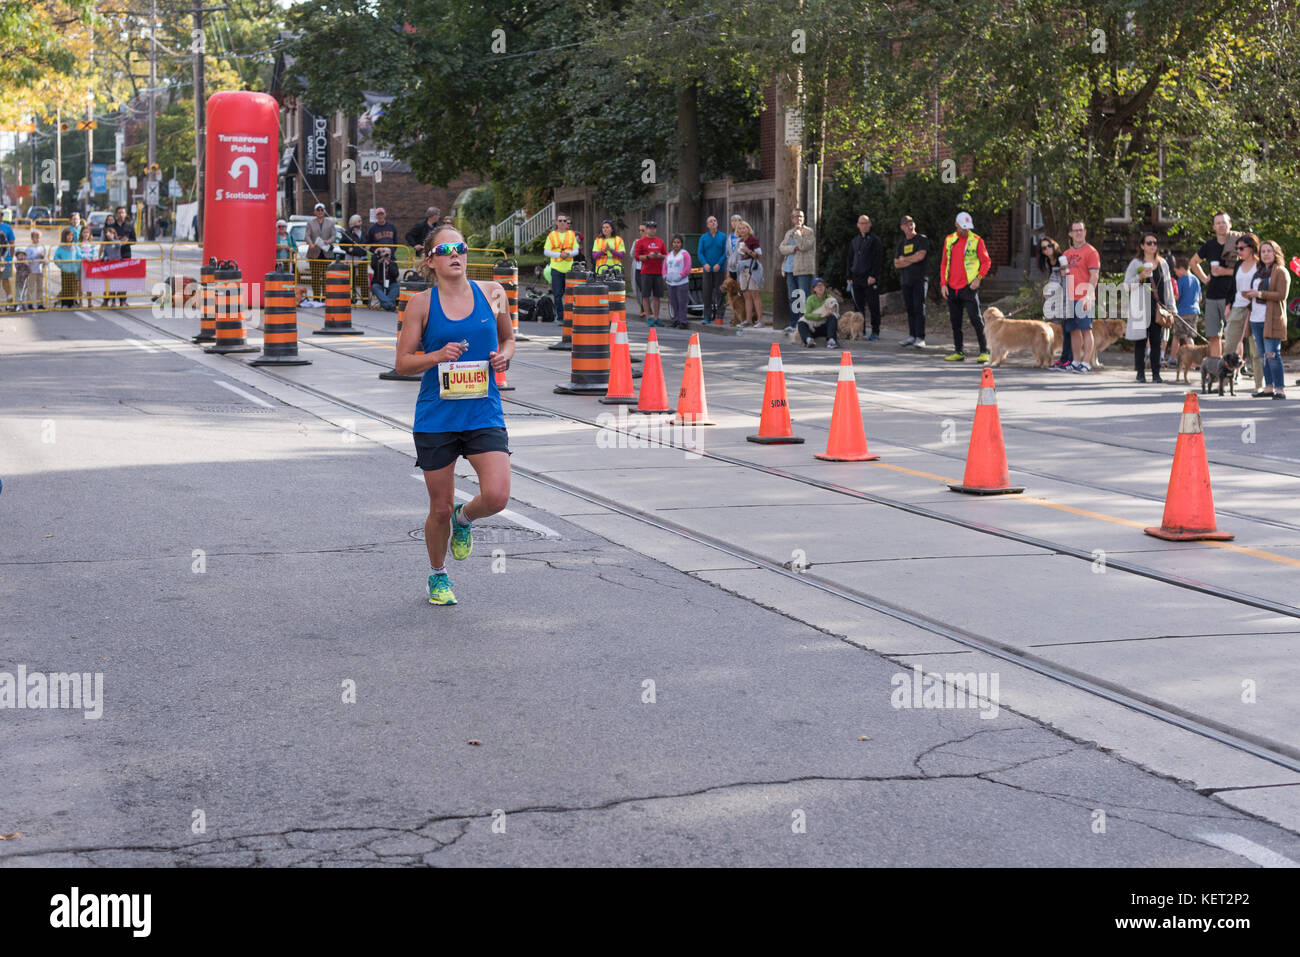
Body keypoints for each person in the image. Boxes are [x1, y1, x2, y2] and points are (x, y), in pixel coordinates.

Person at [394, 225, 515, 606]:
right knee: (439, 508)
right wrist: (436, 356)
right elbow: (402, 363)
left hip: (483, 412)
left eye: (460, 247)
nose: (456, 254)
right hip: (437, 418)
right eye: (446, 249)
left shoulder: (492, 293)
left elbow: (509, 338)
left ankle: (467, 518)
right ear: (430, 261)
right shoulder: (420, 304)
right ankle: (437, 574)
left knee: (496, 496)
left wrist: (505, 356)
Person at [1187, 211, 1242, 359]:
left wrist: (1224, 271)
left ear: (1230, 224)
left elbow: (1244, 269)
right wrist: (1204, 279)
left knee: (1234, 335)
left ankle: (1235, 370)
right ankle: (1217, 368)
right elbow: (1193, 263)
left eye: (1224, 222)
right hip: (1212, 296)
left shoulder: (1239, 245)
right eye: (1218, 223)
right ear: (1214, 227)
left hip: (1231, 296)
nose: (1221, 225)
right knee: (1213, 336)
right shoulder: (1209, 245)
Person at [939, 211, 992, 362]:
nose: (965, 230)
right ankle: (958, 351)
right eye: (963, 227)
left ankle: (985, 350)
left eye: (968, 227)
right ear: (956, 225)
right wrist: (943, 284)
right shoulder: (949, 240)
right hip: (951, 287)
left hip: (969, 287)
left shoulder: (976, 240)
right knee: (955, 321)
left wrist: (979, 278)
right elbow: (943, 263)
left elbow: (986, 261)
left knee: (976, 319)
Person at [1122, 233, 1175, 383]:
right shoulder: (1136, 264)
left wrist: (1171, 307)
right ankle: (1140, 373)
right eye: (1149, 243)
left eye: (1155, 243)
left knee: (1156, 342)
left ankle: (1156, 374)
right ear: (1142, 246)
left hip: (1158, 308)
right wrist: (1139, 277)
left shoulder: (1163, 263)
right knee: (1140, 341)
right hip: (1140, 308)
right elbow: (1126, 286)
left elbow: (1168, 286)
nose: (1152, 245)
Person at [1246, 239, 1289, 399]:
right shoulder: (1258, 272)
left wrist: (1259, 294)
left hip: (1272, 318)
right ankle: (1269, 387)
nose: (1265, 254)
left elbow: (1282, 295)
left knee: (1272, 354)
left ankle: (1280, 389)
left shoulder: (1281, 271)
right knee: (1263, 355)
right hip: (1256, 318)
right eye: (1263, 251)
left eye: (1269, 251)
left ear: (1275, 253)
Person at [1224, 232, 1263, 394]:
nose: (1238, 251)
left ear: (1252, 248)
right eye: (1236, 248)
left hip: (1256, 308)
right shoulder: (1239, 265)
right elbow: (1232, 285)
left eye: (1241, 248)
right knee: (1229, 345)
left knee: (1256, 349)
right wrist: (1228, 304)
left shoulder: (1261, 265)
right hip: (1237, 307)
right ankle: (1224, 381)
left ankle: (1259, 384)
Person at [1059, 220, 1100, 373]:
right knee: (1073, 330)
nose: (1078, 233)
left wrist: (1088, 296)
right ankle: (1076, 361)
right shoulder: (1066, 254)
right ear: (1070, 234)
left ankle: (1087, 362)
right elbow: (1065, 275)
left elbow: (1094, 275)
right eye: (1075, 230)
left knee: (1086, 329)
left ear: (1085, 232)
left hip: (1084, 296)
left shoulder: (1091, 251)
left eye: (1081, 230)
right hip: (1070, 296)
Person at [778, 208, 816, 338]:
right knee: (793, 297)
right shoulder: (789, 232)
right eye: (795, 217)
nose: (798, 219)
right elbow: (782, 248)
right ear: (792, 218)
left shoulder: (809, 232)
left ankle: (804, 323)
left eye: (800, 216)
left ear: (803, 218)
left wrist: (799, 234)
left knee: (803, 297)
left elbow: (805, 246)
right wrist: (792, 248)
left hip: (803, 269)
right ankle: (793, 323)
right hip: (789, 269)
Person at [893, 215, 930, 347]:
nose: (910, 226)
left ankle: (920, 337)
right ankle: (912, 335)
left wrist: (905, 259)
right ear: (902, 227)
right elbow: (896, 263)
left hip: (919, 279)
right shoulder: (901, 244)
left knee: (919, 307)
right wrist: (909, 259)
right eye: (906, 224)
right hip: (906, 280)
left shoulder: (921, 239)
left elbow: (920, 256)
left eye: (911, 223)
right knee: (910, 308)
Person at [845, 214, 883, 339]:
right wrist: (849, 276)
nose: (864, 225)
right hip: (856, 278)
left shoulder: (875, 240)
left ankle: (875, 331)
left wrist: (873, 275)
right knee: (858, 307)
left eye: (866, 223)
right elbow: (850, 259)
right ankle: (860, 331)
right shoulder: (854, 241)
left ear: (870, 224)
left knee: (873, 306)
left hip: (869, 278)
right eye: (861, 223)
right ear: (858, 225)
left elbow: (878, 260)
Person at [544, 213, 579, 328]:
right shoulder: (551, 235)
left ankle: (571, 317)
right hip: (556, 268)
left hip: (569, 268)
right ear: (556, 222)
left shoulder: (571, 234)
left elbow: (576, 250)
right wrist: (560, 255)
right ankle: (560, 318)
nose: (563, 222)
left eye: (565, 221)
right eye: (560, 220)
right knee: (558, 294)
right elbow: (546, 252)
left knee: (571, 294)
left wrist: (568, 254)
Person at [632, 219, 667, 325]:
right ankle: (648, 317)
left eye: (654, 228)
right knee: (645, 295)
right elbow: (637, 257)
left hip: (657, 272)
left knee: (657, 296)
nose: (652, 230)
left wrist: (660, 256)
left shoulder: (660, 241)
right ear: (646, 229)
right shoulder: (640, 242)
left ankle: (657, 317)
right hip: (645, 272)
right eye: (650, 228)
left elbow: (667, 255)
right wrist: (648, 256)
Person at [1171, 255, 1201, 365]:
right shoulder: (1196, 280)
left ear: (1182, 269)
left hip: (1182, 311)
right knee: (1189, 336)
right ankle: (1194, 360)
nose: (1176, 274)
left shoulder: (1181, 280)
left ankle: (1173, 358)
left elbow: (1177, 296)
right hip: (1194, 311)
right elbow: (1200, 298)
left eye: (1177, 271)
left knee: (1176, 336)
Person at [696, 215, 727, 322]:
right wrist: (705, 264)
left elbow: (725, 253)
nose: (713, 222)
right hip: (707, 270)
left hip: (719, 269)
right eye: (710, 221)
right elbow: (700, 253)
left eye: (715, 220)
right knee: (707, 293)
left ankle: (719, 316)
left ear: (717, 224)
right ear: (707, 225)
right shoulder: (703, 238)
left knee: (720, 293)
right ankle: (707, 316)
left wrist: (719, 263)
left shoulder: (723, 237)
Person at [734, 220, 763, 327]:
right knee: (746, 295)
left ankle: (760, 320)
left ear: (748, 229)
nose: (742, 230)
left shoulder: (753, 240)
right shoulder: (740, 241)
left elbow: (759, 255)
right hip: (742, 268)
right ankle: (748, 320)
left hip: (752, 268)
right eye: (740, 229)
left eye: (744, 228)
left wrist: (748, 251)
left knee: (754, 294)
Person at [304, 202, 335, 303]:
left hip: (326, 254)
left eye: (322, 210)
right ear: (315, 212)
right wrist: (310, 244)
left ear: (324, 211)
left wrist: (328, 241)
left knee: (326, 277)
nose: (320, 212)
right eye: (318, 210)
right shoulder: (310, 223)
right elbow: (307, 236)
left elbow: (334, 236)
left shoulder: (330, 223)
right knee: (315, 277)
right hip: (314, 253)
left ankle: (326, 297)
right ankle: (317, 297)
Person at [798, 277, 839, 348]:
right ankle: (808, 340)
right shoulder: (810, 299)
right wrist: (820, 316)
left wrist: (828, 314)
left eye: (822, 285)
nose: (820, 287)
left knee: (833, 317)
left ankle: (831, 340)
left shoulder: (830, 298)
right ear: (814, 289)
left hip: (825, 328)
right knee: (801, 323)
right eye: (818, 285)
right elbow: (807, 315)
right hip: (813, 328)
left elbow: (836, 312)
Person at [664, 234, 692, 329]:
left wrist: (680, 276)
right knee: (673, 302)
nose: (676, 244)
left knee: (682, 302)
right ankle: (675, 320)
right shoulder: (669, 255)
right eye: (674, 242)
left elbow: (687, 268)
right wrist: (665, 276)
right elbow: (664, 267)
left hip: (681, 283)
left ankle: (683, 321)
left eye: (678, 242)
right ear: (672, 244)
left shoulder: (685, 254)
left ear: (681, 244)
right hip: (670, 283)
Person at [342, 214, 369, 304]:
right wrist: (348, 248)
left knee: (363, 278)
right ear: (353, 223)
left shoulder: (364, 232)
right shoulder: (347, 233)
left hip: (362, 258)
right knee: (351, 278)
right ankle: (352, 297)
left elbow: (368, 241)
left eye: (361, 221)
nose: (360, 223)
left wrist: (368, 246)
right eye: (359, 221)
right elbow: (341, 244)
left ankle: (365, 298)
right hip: (351, 258)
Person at [53, 228, 82, 308]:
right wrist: (61, 265)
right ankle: (65, 303)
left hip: (73, 270)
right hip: (65, 270)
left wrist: (77, 265)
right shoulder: (61, 246)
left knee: (73, 287)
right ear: (64, 236)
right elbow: (56, 257)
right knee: (65, 287)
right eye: (68, 235)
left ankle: (72, 303)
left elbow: (79, 256)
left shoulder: (75, 246)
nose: (70, 237)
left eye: (71, 235)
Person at [22, 230, 44, 309]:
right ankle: (30, 303)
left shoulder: (41, 247)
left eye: (39, 238)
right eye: (36, 238)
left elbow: (44, 259)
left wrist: (42, 258)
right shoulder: (29, 248)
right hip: (32, 270)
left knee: (40, 287)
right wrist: (34, 256)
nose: (37, 239)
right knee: (31, 287)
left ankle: (40, 303)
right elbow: (26, 259)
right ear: (32, 238)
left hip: (40, 270)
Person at [0, 209, 15, 311]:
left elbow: (12, 243)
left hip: (5, 259)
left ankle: (9, 300)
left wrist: (11, 257)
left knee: (6, 280)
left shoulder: (7, 227)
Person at [631, 222, 647, 314]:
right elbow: (631, 254)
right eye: (640, 230)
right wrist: (635, 247)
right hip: (637, 268)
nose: (641, 232)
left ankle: (645, 307)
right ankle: (642, 306)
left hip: (647, 269)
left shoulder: (650, 242)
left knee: (646, 289)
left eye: (643, 230)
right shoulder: (636, 241)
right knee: (638, 289)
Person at [725, 213, 743, 283]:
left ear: (740, 222)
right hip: (731, 268)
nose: (734, 223)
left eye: (736, 221)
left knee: (742, 289)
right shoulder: (729, 237)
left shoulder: (743, 235)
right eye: (732, 221)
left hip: (741, 267)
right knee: (733, 289)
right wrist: (728, 270)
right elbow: (728, 254)